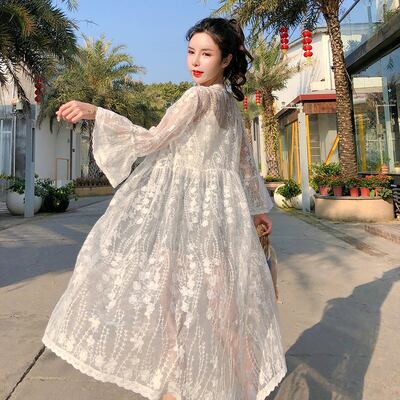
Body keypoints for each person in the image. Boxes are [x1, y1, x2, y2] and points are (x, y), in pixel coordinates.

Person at [42, 17, 287, 400]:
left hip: (185, 212)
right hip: (218, 213)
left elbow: (152, 140)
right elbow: (243, 163)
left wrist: (97, 113)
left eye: (206, 54)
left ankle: (179, 385)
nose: (195, 61)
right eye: (191, 52)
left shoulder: (198, 98)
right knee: (219, 301)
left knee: (173, 297)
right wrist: (258, 209)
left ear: (226, 60)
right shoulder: (228, 102)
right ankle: (238, 381)